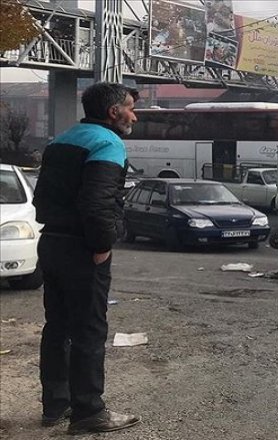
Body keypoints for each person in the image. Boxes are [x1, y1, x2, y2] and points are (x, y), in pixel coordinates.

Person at [32, 83, 141, 434]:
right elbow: (97, 203)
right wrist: (102, 244)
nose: (133, 115)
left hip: (51, 242)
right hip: (83, 248)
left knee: (57, 327)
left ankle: (55, 406)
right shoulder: (107, 143)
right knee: (89, 331)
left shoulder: (60, 140)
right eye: (129, 107)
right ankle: (89, 412)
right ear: (113, 112)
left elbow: (41, 198)